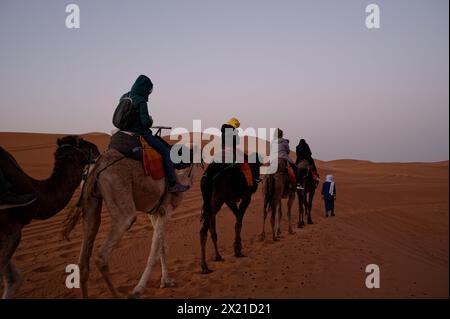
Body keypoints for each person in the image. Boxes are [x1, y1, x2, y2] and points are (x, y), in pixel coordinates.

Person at [122, 75, 189, 193]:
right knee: (167, 153)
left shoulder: (125, 97)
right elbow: (145, 122)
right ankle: (173, 184)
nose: (149, 93)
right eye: (149, 90)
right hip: (140, 133)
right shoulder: (141, 100)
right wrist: (150, 120)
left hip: (123, 132)